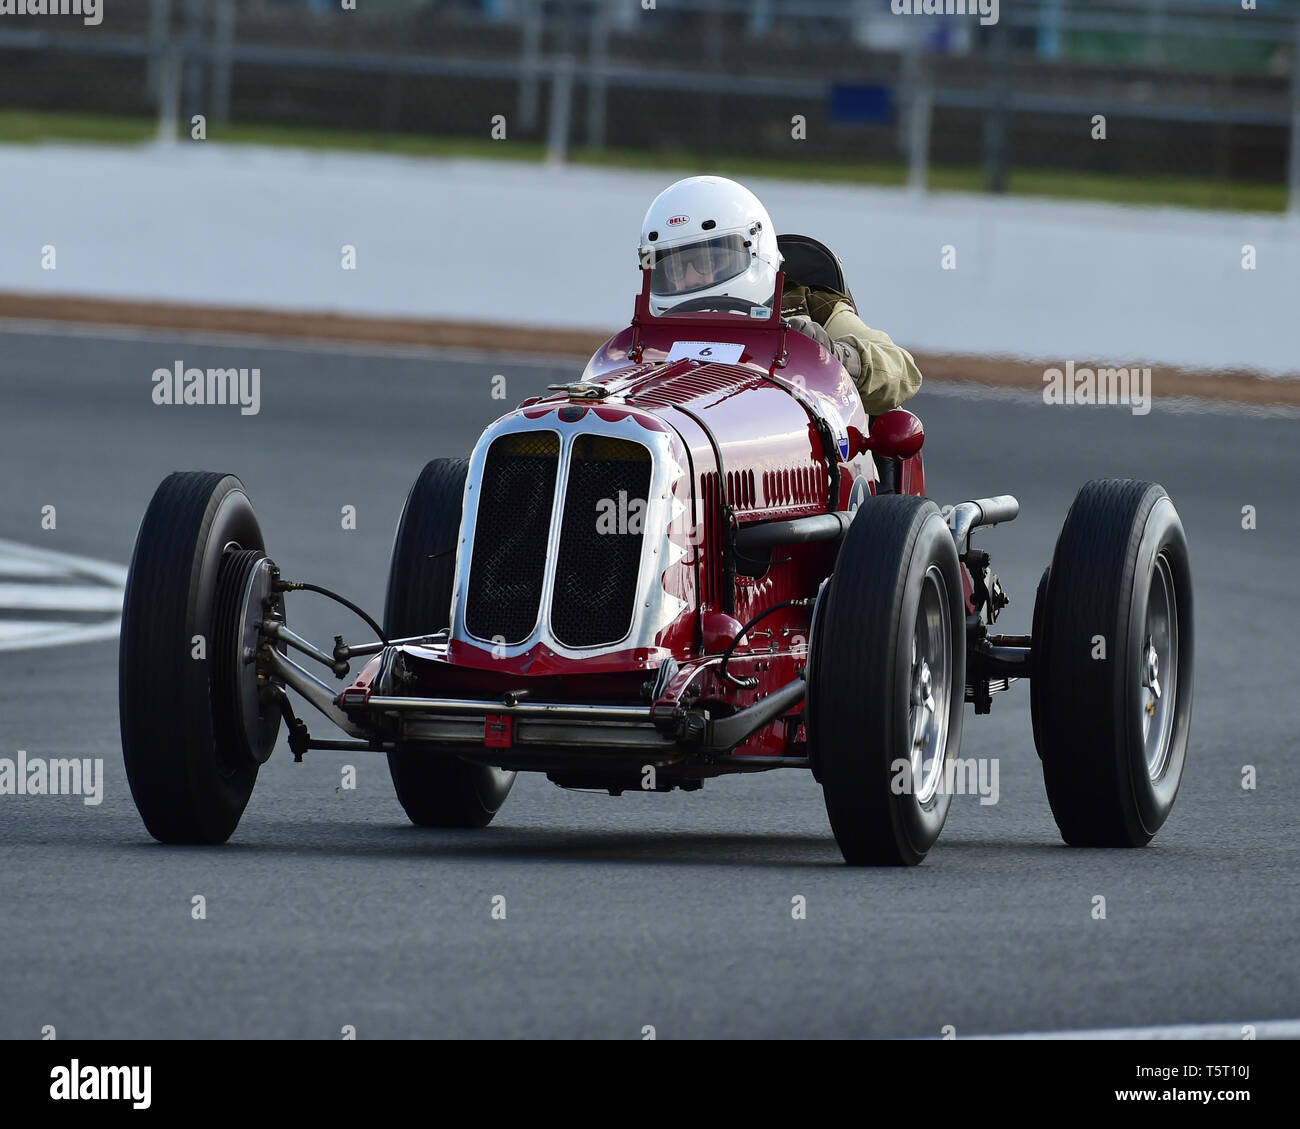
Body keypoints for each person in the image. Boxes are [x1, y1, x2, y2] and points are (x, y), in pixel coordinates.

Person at [638, 175, 921, 415]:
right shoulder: (650, 336)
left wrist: (833, 356)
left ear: (754, 250)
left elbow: (903, 371)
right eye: (674, 267)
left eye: (708, 261)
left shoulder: (808, 305)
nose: (690, 278)